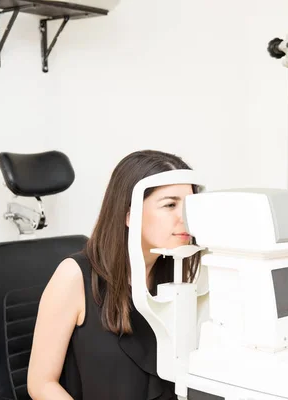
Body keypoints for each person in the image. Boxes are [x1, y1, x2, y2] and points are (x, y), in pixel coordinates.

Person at [27, 150, 208, 400]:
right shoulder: (74, 276)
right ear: (128, 214)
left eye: (188, 206)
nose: (184, 218)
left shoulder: (176, 276)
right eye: (170, 205)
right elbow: (41, 384)